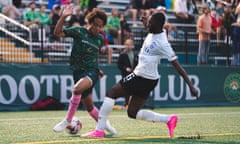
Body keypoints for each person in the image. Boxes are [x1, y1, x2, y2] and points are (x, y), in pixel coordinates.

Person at [82, 12, 199, 138]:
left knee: (111, 94)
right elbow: (150, 28)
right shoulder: (154, 31)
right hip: (149, 79)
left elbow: (177, 66)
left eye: (151, 21)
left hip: (141, 76)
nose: (148, 23)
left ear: (158, 25)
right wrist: (146, 24)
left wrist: (191, 86)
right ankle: (168, 119)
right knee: (132, 113)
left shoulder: (163, 43)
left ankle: (99, 130)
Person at [52, 5, 117, 135]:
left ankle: (67, 120)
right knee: (89, 107)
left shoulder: (99, 38)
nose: (98, 29)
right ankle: (106, 126)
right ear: (90, 22)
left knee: (76, 89)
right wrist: (64, 16)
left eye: (101, 26)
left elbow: (94, 56)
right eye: (96, 25)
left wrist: (97, 70)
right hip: (78, 72)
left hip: (91, 72)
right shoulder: (79, 32)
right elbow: (57, 33)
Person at [117, 39, 138, 108]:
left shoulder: (135, 54)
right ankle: (127, 104)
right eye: (127, 45)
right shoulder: (122, 54)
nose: (128, 46)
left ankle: (133, 104)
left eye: (130, 44)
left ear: (132, 45)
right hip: (126, 75)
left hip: (134, 74)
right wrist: (125, 68)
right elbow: (119, 65)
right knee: (127, 90)